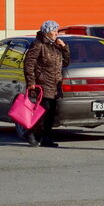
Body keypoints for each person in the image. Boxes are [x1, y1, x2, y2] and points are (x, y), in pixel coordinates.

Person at [23, 20, 70, 148]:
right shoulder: (38, 44)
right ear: (47, 32)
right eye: (54, 31)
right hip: (42, 84)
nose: (56, 33)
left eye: (57, 31)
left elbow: (65, 63)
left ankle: (46, 138)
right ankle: (31, 133)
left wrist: (64, 47)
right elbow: (29, 64)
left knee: (50, 113)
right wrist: (31, 81)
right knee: (42, 112)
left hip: (55, 85)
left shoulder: (55, 45)